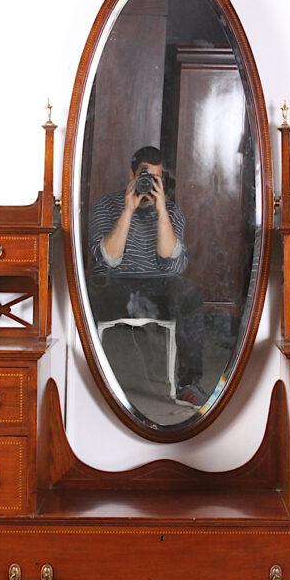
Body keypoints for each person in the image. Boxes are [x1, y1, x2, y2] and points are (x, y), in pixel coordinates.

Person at [88, 146, 207, 408]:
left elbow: (170, 262)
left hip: (158, 285)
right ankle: (89, 379)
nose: (148, 184)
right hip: (115, 284)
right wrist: (128, 210)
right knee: (87, 292)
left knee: (190, 293)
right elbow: (108, 259)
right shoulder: (107, 206)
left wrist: (161, 210)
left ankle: (187, 384)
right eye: (145, 176)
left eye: (156, 179)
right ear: (131, 174)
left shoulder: (172, 212)